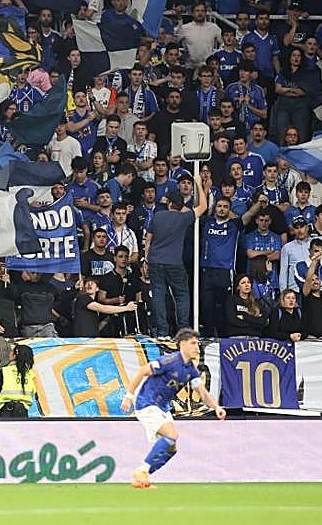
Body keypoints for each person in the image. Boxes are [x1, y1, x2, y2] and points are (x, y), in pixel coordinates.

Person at [120, 328, 226, 489]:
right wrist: (129, 395)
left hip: (161, 407)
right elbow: (143, 370)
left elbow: (202, 393)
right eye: (193, 343)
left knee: (171, 448)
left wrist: (216, 406)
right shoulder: (169, 361)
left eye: (197, 344)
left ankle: (143, 477)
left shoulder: (191, 370)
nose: (197, 347)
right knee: (172, 435)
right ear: (182, 345)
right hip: (147, 402)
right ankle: (142, 470)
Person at [143, 173, 208, 336]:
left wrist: (146, 259)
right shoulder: (183, 217)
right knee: (181, 295)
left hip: (155, 261)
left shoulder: (157, 216)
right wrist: (199, 184)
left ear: (169, 203)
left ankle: (162, 330)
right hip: (174, 263)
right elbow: (204, 207)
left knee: (158, 295)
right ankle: (183, 329)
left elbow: (148, 238)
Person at [0, 343, 37, 417]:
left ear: (14, 355)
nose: (9, 353)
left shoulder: (5, 371)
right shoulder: (30, 374)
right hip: (23, 412)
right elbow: (34, 392)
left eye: (11, 351)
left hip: (6, 412)